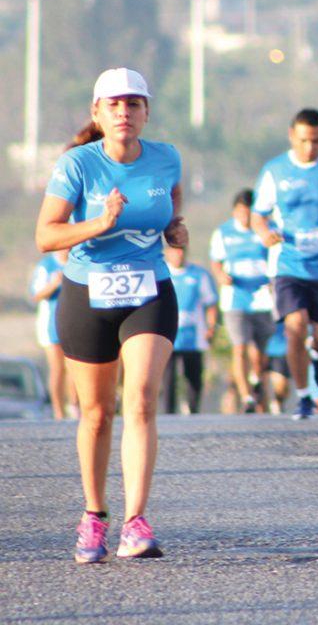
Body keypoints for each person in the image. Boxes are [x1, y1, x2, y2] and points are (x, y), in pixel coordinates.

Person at [35, 67, 186, 563]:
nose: (124, 112)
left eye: (134, 103)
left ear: (146, 112)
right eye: (114, 104)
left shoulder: (166, 158)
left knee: (140, 401)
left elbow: (171, 203)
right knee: (97, 415)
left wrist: (175, 231)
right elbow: (47, 236)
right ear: (97, 113)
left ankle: (136, 521)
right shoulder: (78, 164)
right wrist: (100, 222)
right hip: (87, 294)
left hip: (149, 291)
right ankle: (94, 516)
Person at [251, 108, 318, 420]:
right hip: (289, 266)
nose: (310, 148)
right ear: (292, 136)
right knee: (294, 326)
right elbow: (258, 215)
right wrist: (265, 233)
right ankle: (304, 396)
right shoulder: (275, 170)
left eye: (317, 141)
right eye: (305, 140)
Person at [210, 189, 274, 413]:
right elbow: (216, 262)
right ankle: (247, 396)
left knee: (259, 352)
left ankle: (256, 377)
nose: (245, 217)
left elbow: (276, 257)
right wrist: (221, 276)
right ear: (234, 211)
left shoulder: (266, 230)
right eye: (240, 212)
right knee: (240, 347)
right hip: (235, 299)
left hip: (263, 299)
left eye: (248, 212)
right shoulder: (224, 232)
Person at [161, 245, 218, 415]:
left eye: (181, 250)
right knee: (168, 378)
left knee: (193, 377)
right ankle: (168, 414)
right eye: (174, 250)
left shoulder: (199, 274)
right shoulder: (161, 274)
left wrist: (211, 326)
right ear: (167, 253)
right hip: (168, 335)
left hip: (194, 336)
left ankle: (193, 411)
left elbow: (211, 304)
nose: (179, 254)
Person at [30, 249, 74, 419]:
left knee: (74, 367)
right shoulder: (46, 265)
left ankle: (74, 405)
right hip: (51, 323)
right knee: (57, 367)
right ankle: (58, 411)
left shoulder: (77, 261)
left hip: (74, 321)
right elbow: (35, 295)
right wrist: (53, 284)